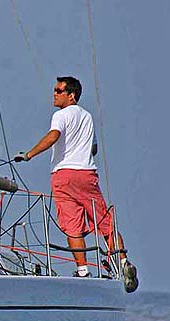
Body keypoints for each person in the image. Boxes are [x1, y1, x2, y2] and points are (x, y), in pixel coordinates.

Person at [14, 76, 138, 292]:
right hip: (87, 174)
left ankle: (82, 270)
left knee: (72, 226)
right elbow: (94, 149)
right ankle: (123, 261)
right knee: (105, 222)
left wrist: (29, 155)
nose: (54, 94)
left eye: (58, 91)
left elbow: (53, 136)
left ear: (71, 95)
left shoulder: (60, 115)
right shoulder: (88, 117)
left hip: (64, 176)